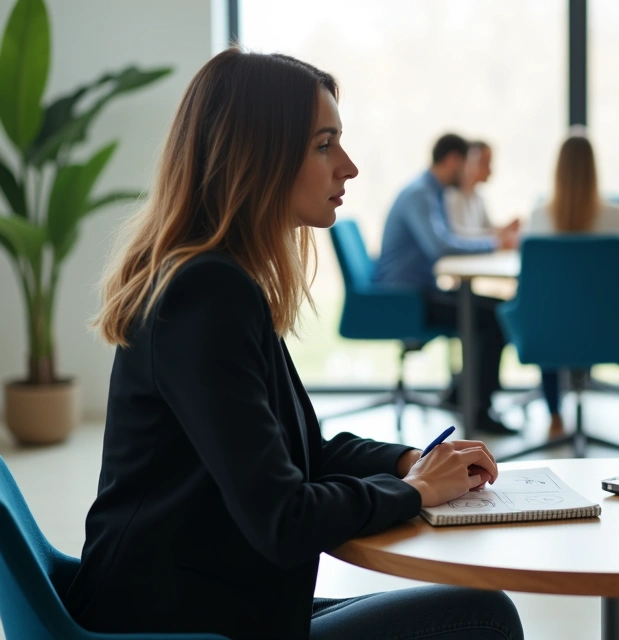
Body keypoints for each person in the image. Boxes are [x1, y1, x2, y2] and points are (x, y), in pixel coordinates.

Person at [76, 49, 523, 640]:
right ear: (256, 156)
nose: (349, 167)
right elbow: (283, 518)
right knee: (482, 618)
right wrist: (414, 492)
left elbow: (298, 453)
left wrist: (407, 461)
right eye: (324, 144)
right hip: (177, 626)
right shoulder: (206, 293)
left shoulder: (216, 279)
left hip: (205, 603)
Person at [374, 133, 519, 434]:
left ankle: (463, 393)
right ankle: (477, 409)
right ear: (453, 160)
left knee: (499, 310)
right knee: (494, 317)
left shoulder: (431, 191)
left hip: (420, 291)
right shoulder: (420, 193)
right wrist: (494, 243)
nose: (468, 172)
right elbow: (440, 247)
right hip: (406, 299)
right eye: (467, 164)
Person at [526, 132, 619, 435]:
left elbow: (526, 282)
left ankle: (554, 413)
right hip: (608, 332)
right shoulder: (616, 216)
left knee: (549, 316)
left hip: (549, 335)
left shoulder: (539, 218)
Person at [446, 140, 521, 239]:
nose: (490, 170)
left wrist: (506, 229)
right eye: (485, 163)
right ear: (469, 162)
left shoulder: (478, 198)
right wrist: (498, 236)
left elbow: (488, 229)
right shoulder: (451, 197)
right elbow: (459, 236)